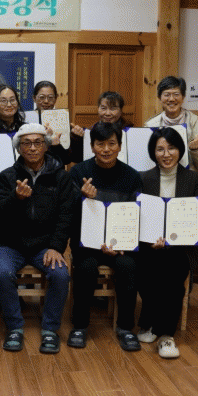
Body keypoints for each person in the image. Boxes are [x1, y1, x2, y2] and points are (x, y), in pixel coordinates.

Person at [0, 123, 76, 354]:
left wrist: (56, 247)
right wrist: (16, 198)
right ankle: (14, 327)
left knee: (61, 275)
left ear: (46, 146)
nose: (32, 148)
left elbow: (66, 216)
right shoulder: (7, 176)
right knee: (1, 273)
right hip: (11, 243)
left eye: (38, 142)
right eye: (26, 143)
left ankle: (50, 329)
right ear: (19, 148)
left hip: (45, 245)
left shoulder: (61, 177)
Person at [136, 127, 198, 358]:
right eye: (160, 149)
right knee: (144, 268)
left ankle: (165, 336)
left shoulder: (193, 179)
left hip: (181, 248)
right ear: (153, 152)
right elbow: (138, 216)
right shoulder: (143, 178)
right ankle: (150, 322)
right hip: (149, 245)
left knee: (172, 273)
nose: (166, 154)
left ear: (180, 150)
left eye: (171, 148)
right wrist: (150, 240)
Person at [68, 122, 142, 352]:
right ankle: (80, 326)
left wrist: (120, 243)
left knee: (128, 266)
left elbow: (136, 215)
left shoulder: (132, 176)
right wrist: (82, 198)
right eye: (100, 144)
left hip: (120, 244)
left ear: (120, 146)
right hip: (87, 244)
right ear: (92, 147)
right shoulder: (78, 172)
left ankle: (126, 327)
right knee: (86, 268)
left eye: (112, 143)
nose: (106, 149)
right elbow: (66, 212)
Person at [145, 76, 198, 177]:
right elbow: (147, 160)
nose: (171, 99)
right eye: (167, 95)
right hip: (160, 179)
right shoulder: (150, 126)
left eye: (176, 94)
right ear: (160, 98)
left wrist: (197, 150)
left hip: (190, 181)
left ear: (183, 97)